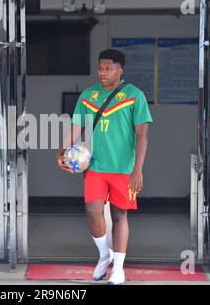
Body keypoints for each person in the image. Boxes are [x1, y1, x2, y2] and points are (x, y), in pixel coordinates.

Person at [56, 49, 153, 285]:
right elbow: (76, 127)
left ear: (120, 70)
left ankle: (118, 269)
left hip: (123, 169)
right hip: (96, 166)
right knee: (92, 211)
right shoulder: (88, 95)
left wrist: (137, 170)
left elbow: (142, 137)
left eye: (108, 68)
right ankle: (104, 255)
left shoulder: (134, 95)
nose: (103, 72)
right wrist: (61, 151)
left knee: (120, 215)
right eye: (100, 67)